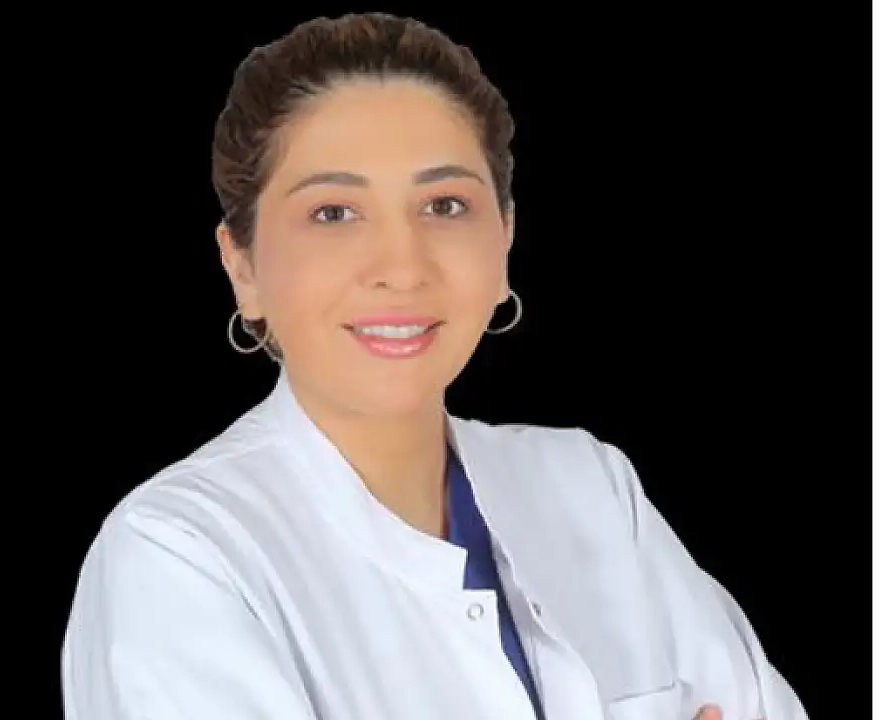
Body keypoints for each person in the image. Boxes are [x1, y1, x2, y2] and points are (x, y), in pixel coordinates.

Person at [61, 12, 808, 720]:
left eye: (445, 206)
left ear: (504, 238)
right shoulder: (181, 553)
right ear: (243, 266)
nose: (403, 266)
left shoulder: (590, 486)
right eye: (333, 213)